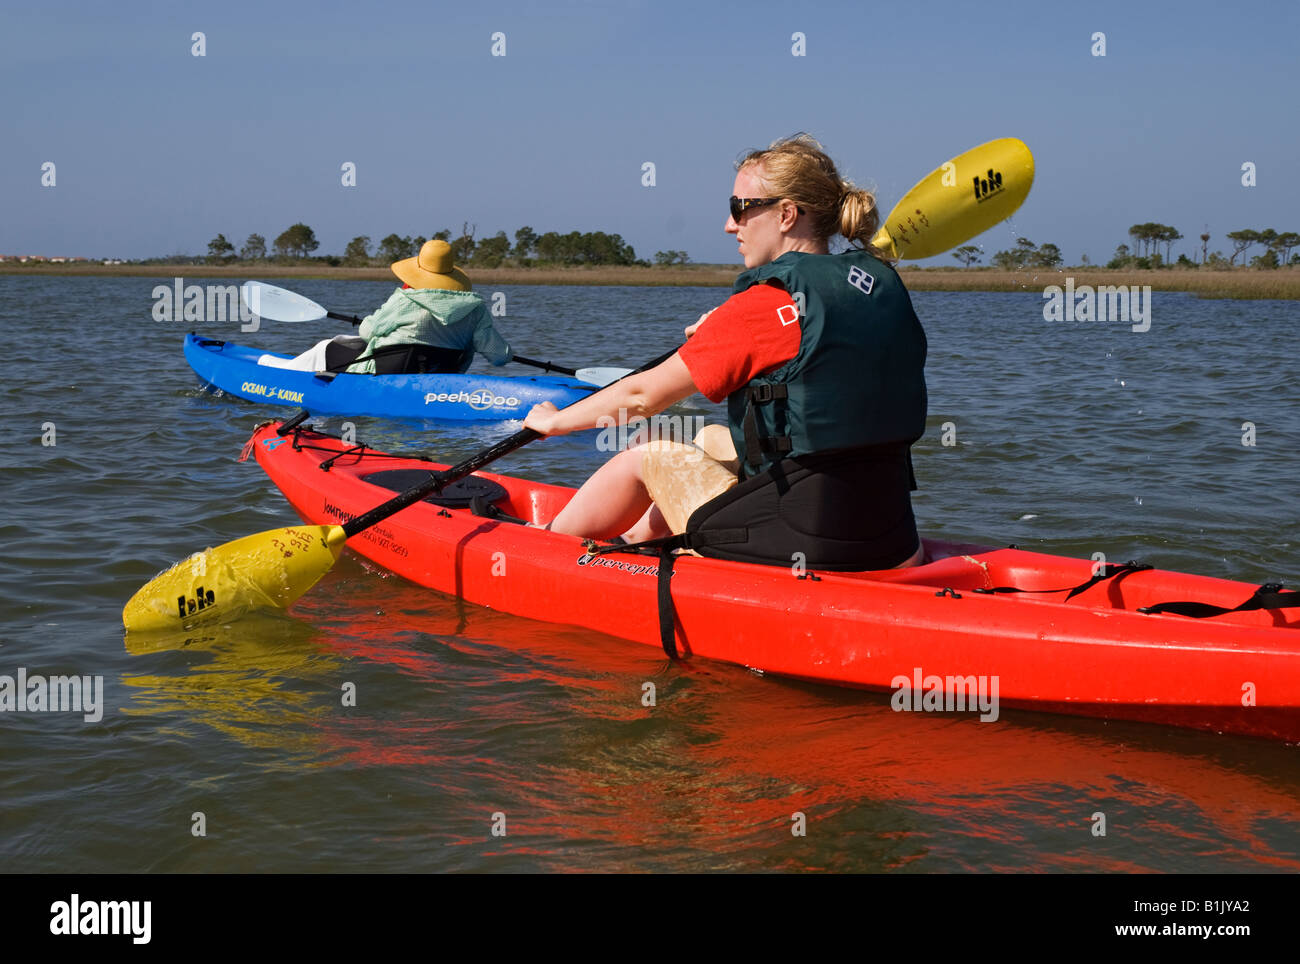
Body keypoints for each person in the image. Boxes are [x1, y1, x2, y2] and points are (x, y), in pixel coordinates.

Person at [523, 134, 928, 571]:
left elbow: (640, 397)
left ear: (787, 214)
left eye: (740, 208)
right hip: (892, 538)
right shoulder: (875, 287)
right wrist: (724, 331)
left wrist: (555, 422)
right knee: (709, 439)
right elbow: (806, 351)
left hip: (812, 545)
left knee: (649, 454)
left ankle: (541, 557)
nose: (729, 225)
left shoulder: (764, 305)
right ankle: (638, 541)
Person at [257, 239, 512, 374]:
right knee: (345, 342)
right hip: (439, 374)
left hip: (389, 372)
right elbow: (499, 357)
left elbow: (368, 332)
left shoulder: (404, 300)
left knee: (326, 347)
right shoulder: (475, 309)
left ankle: (276, 373)